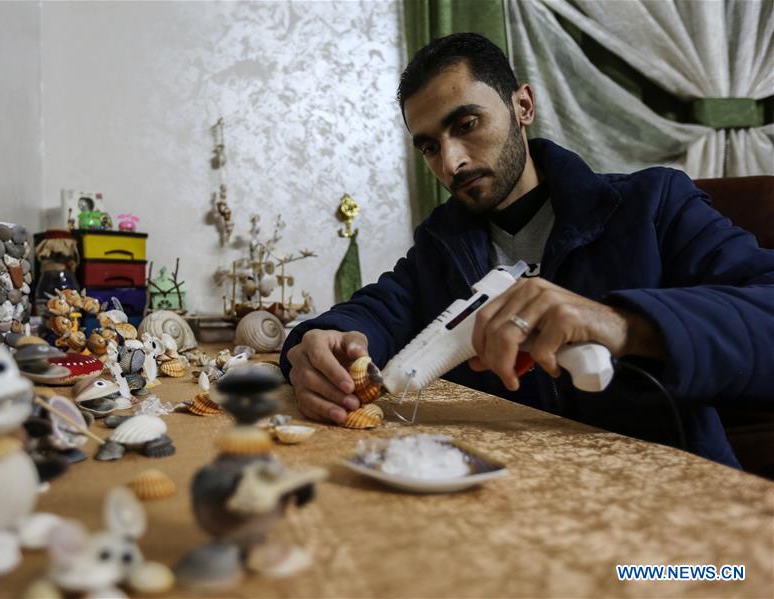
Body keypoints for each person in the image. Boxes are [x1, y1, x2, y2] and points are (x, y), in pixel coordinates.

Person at [279, 33, 774, 468]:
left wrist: (625, 325)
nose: (451, 162)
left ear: (523, 106)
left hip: (672, 504)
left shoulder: (653, 205)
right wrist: (319, 343)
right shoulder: (440, 247)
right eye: (429, 146)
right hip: (515, 500)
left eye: (467, 124)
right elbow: (372, 312)